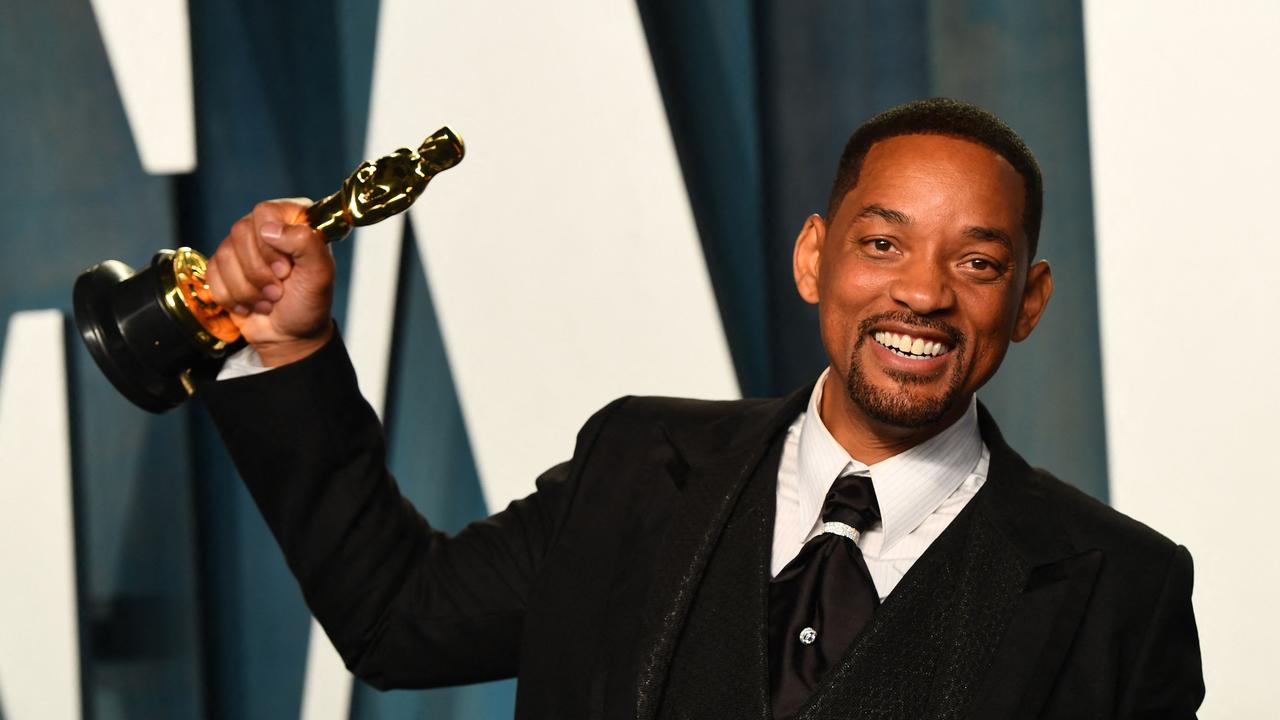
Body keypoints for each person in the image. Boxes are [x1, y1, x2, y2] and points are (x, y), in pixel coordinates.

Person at [197, 98, 1204, 719]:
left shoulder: (1119, 592)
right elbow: (397, 622)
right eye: (882, 244)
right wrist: (289, 352)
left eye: (976, 262)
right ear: (815, 258)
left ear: (1026, 303)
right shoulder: (637, 463)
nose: (923, 293)